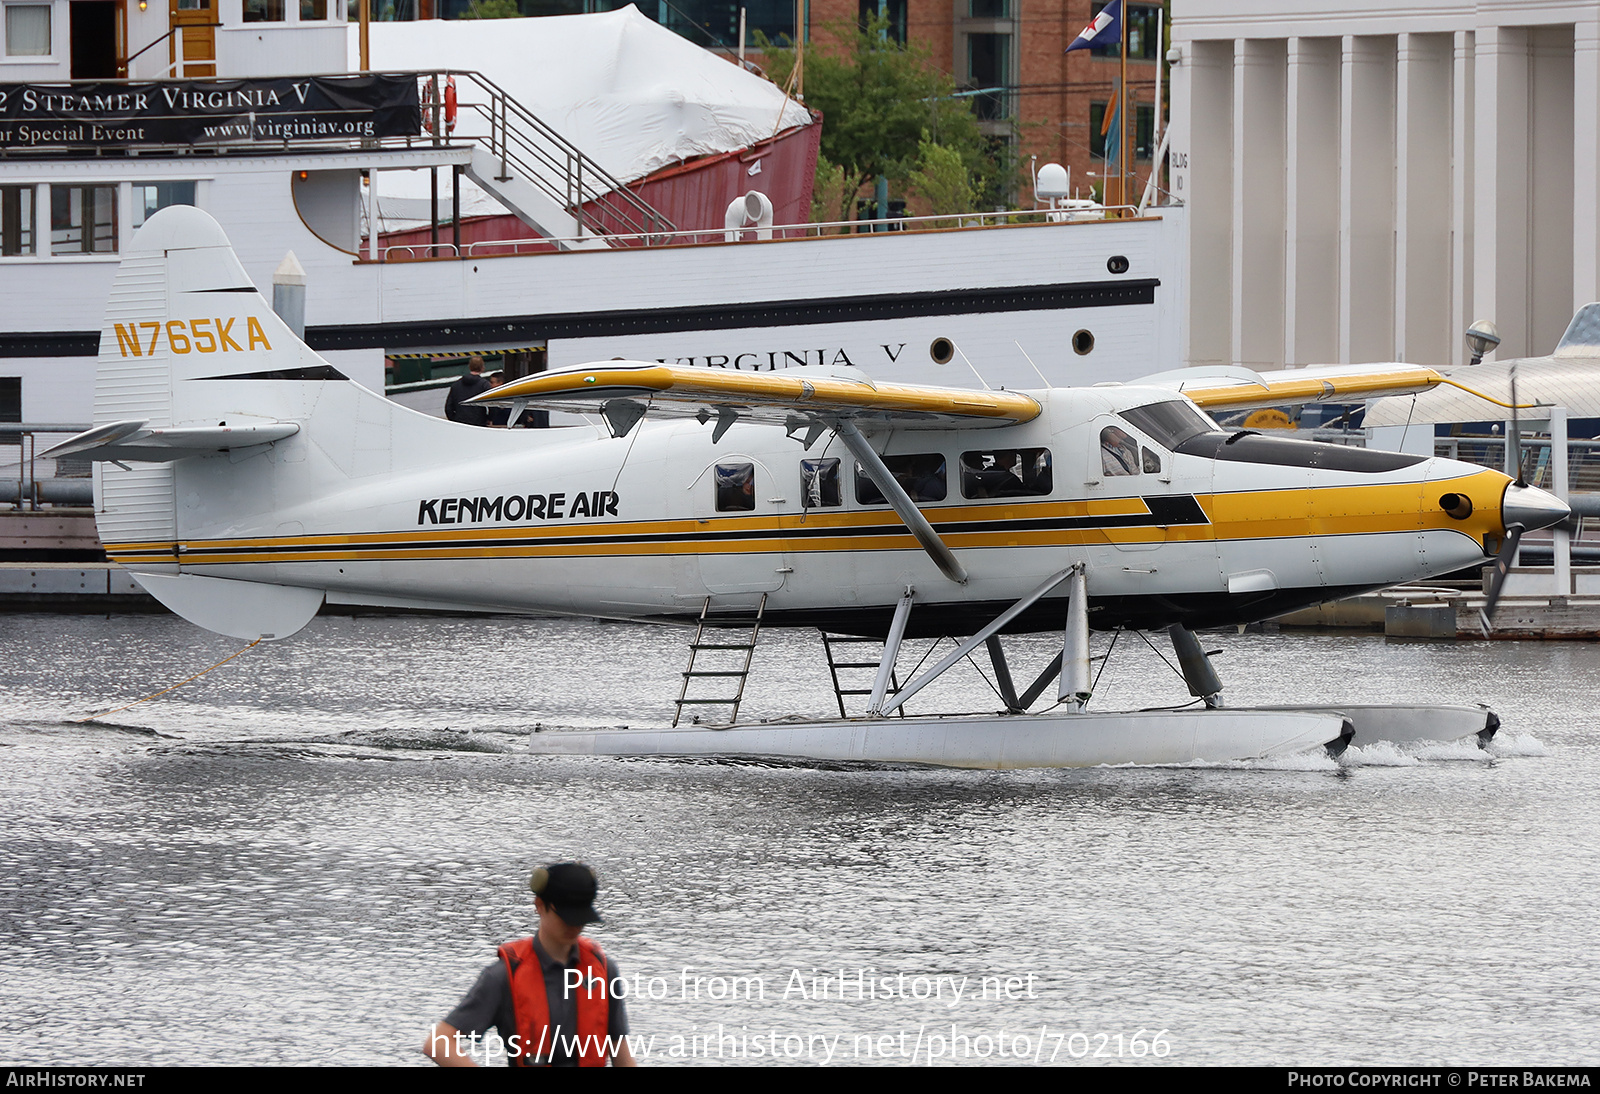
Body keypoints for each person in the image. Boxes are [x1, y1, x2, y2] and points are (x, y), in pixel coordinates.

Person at [423, 863, 636, 1067]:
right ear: (539, 906)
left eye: (581, 917)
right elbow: (438, 1043)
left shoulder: (604, 971)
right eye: (566, 916)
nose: (575, 925)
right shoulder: (504, 977)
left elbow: (622, 1057)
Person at [443, 356, 492, 426]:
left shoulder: (456, 385)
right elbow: (492, 405)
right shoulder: (484, 385)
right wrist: (489, 418)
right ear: (482, 368)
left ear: (469, 366)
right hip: (479, 423)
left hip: (460, 423)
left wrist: (455, 420)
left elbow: (448, 408)